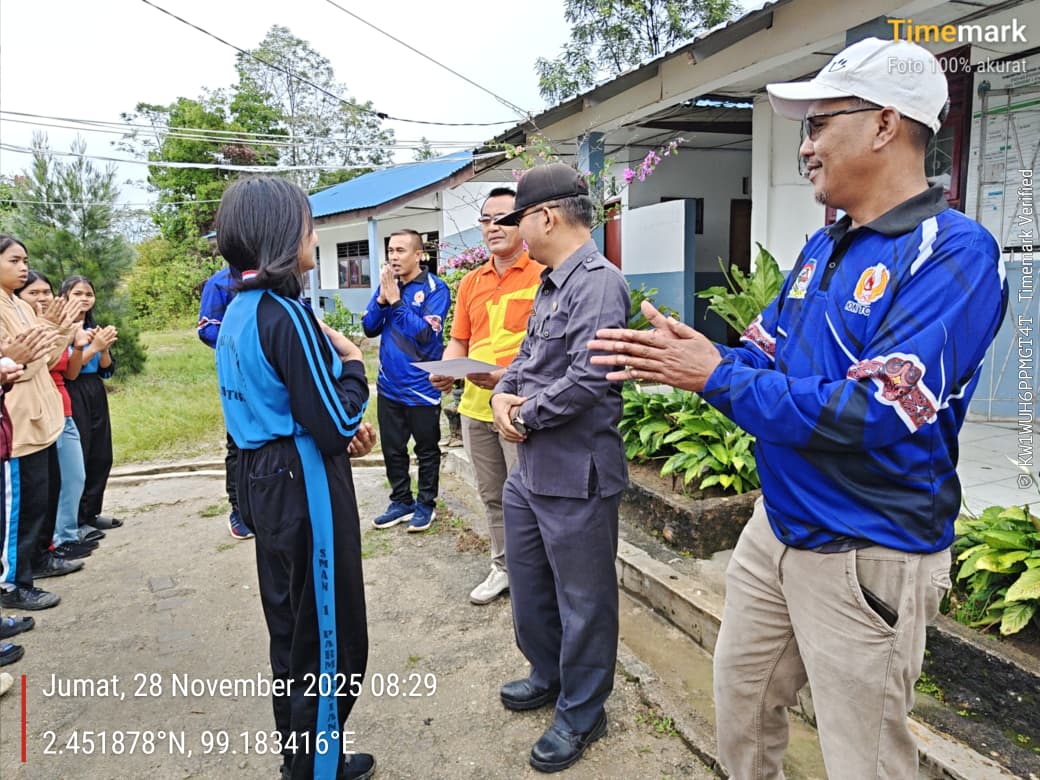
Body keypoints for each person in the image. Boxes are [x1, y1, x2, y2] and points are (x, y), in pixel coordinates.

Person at [588, 37, 1009, 778]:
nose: (806, 148)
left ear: (884, 124)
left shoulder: (955, 253)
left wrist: (717, 377)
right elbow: (761, 352)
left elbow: (872, 411)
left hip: (867, 552)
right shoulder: (822, 248)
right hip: (775, 531)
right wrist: (693, 362)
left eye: (818, 125)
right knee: (741, 712)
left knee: (864, 759)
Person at [213, 175, 376, 780]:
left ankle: (302, 758)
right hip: (302, 483)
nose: (314, 235)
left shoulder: (235, 310)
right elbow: (335, 423)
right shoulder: (285, 315)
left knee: (290, 627)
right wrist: (356, 365)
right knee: (332, 637)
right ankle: (318, 768)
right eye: (308, 224)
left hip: (265, 479)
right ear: (283, 235)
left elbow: (256, 411)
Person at [489, 163, 630, 773]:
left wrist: (524, 413)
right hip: (532, 468)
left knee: (584, 600)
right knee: (530, 587)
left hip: (577, 473)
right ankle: (548, 673)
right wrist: (501, 396)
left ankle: (583, 710)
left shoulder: (598, 284)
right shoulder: (552, 284)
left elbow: (589, 378)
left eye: (519, 217)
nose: (516, 229)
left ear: (545, 216)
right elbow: (527, 359)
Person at [429, 187, 545, 605]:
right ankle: (504, 566)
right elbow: (459, 339)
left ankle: (536, 573)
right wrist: (446, 370)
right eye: (485, 219)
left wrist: (508, 380)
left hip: (520, 408)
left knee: (529, 494)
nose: (493, 226)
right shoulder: (471, 282)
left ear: (523, 222)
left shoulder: (543, 277)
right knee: (493, 495)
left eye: (503, 217)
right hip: (475, 409)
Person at [0, 235, 81, 611]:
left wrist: (59, 329)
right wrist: (38, 339)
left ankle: (36, 561)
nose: (22, 267)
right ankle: (13, 584)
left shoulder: (17, 304)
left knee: (40, 502)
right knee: (18, 514)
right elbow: (18, 364)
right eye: (14, 260)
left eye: (25, 260)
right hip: (17, 424)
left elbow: (45, 359)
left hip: (41, 419)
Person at [362, 229, 450, 533]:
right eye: (390, 250)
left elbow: (425, 335)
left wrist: (397, 302)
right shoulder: (388, 285)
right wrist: (383, 301)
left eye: (400, 250)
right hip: (389, 386)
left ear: (418, 254)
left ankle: (426, 504)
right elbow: (369, 327)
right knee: (392, 448)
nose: (393, 257)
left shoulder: (436, 289)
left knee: (427, 449)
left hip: (423, 388)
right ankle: (401, 501)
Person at [16, 272, 97, 561]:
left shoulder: (52, 327)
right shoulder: (25, 329)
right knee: (48, 485)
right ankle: (56, 541)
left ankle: (66, 534)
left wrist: (75, 343)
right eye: (33, 293)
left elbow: (67, 369)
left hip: (62, 407)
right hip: (38, 413)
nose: (42, 298)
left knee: (75, 476)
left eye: (46, 292)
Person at [59, 276, 121, 535]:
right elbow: (67, 368)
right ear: (64, 297)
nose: (84, 298)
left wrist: (103, 348)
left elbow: (107, 370)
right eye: (77, 293)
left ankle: (92, 512)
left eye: (88, 293)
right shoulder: (61, 328)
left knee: (101, 453)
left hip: (95, 389)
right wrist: (93, 346)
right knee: (80, 454)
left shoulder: (93, 326)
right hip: (73, 390)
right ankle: (77, 518)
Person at [197, 264, 254, 540]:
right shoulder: (219, 283)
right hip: (237, 377)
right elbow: (206, 329)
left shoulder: (271, 274)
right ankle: (238, 509)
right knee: (238, 443)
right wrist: (245, 341)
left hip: (270, 374)